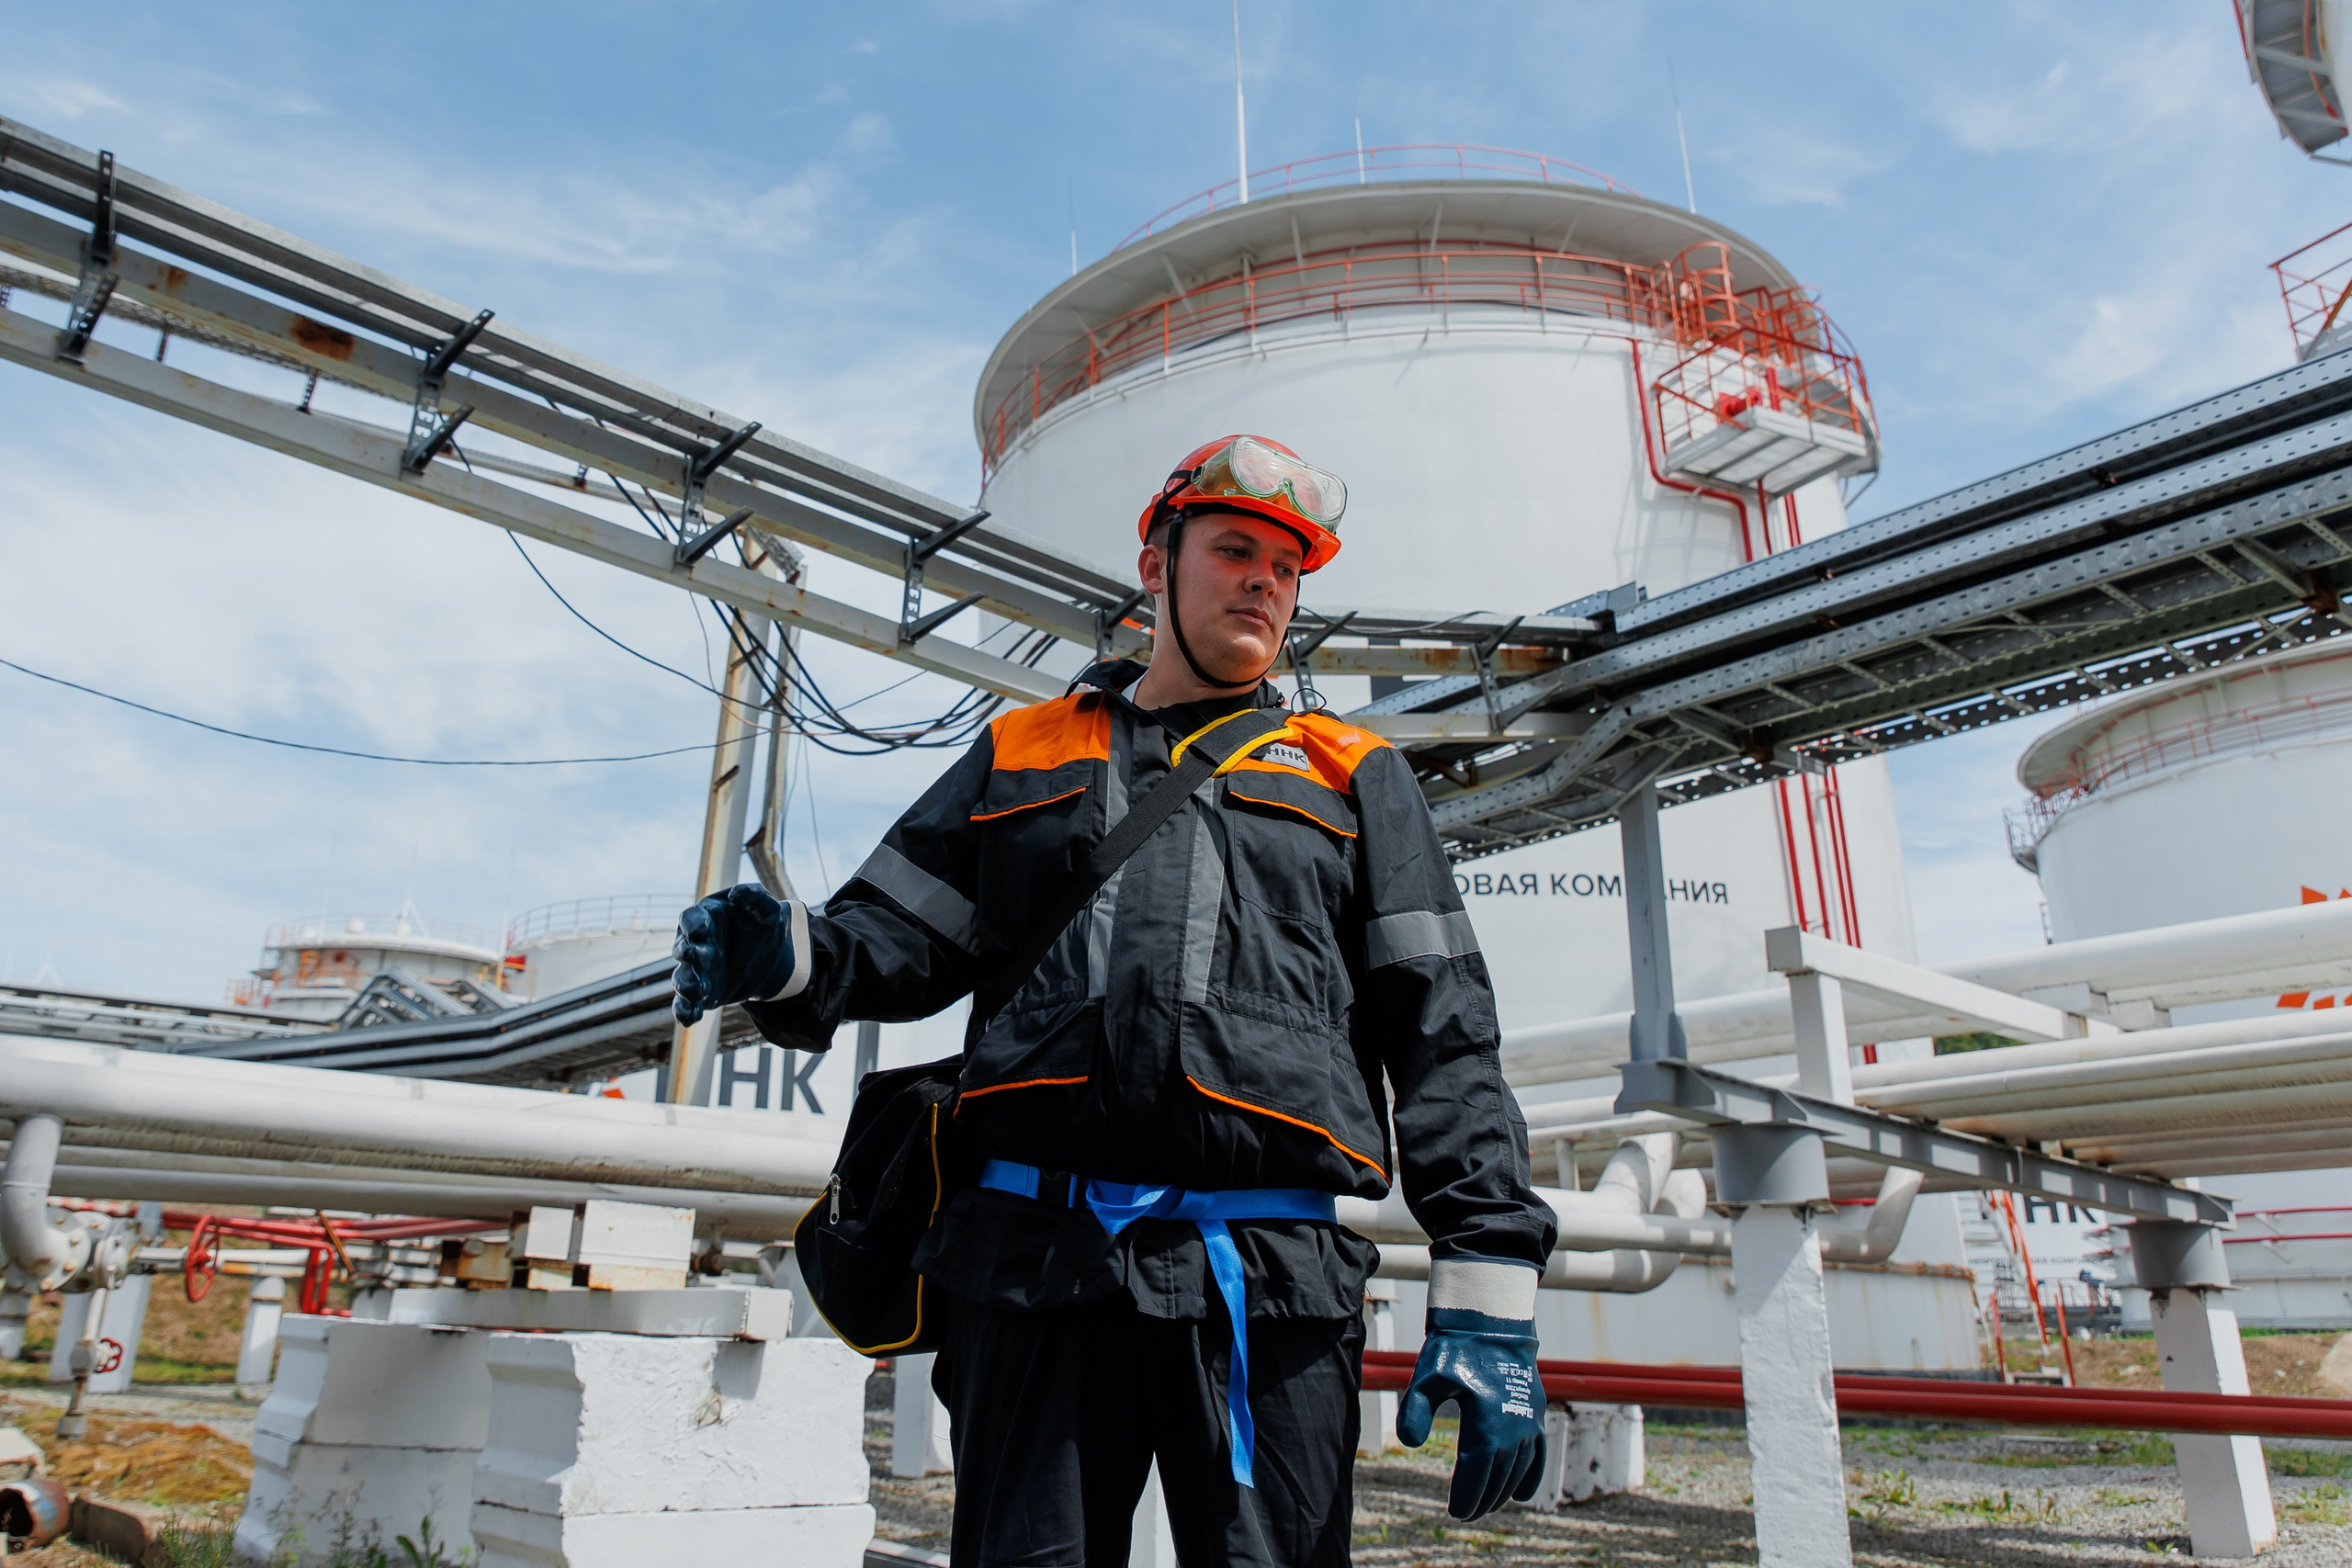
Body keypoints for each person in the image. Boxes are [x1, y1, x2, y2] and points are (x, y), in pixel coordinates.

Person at [673, 434, 1557, 1567]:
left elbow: (1444, 1034)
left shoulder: (1350, 772)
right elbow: (892, 940)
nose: (1263, 585)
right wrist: (787, 957)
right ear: (1155, 567)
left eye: (1286, 571)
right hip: (1035, 1272)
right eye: (1235, 551)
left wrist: (1489, 1285)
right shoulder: (1017, 754)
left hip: (1269, 1289)